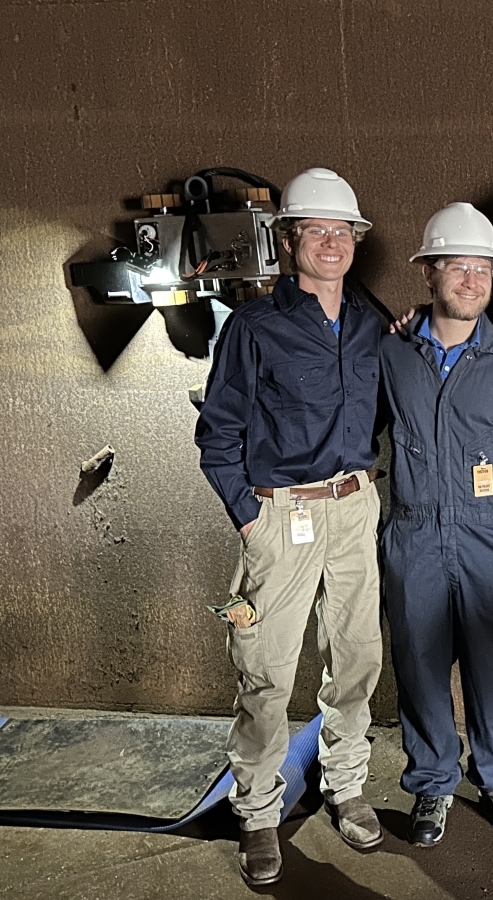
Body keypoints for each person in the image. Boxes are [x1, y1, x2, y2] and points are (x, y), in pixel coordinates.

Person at [195, 167, 386, 886]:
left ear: (357, 242)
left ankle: (345, 784)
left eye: (343, 232)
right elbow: (218, 435)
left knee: (358, 657)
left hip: (353, 506)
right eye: (317, 231)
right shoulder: (254, 327)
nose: (332, 243)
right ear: (288, 240)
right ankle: (258, 814)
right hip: (283, 513)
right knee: (266, 672)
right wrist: (251, 520)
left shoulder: (371, 325)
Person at [378, 202, 493, 847]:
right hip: (416, 535)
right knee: (421, 667)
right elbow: (364, 436)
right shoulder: (391, 355)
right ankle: (431, 784)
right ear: (428, 273)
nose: (472, 281)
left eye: (482, 269)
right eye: (457, 267)